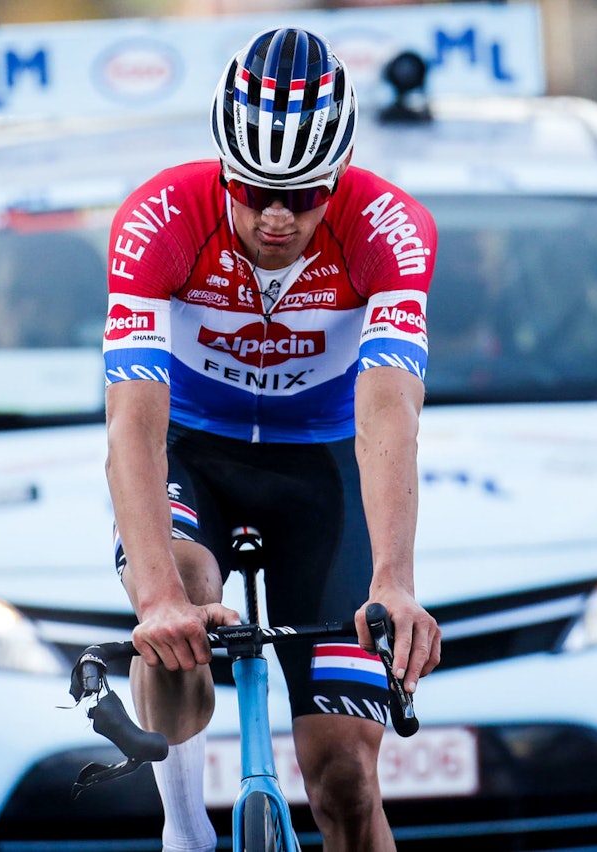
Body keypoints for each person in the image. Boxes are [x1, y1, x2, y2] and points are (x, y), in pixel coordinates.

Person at [102, 26, 442, 852]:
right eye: (254, 191)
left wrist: (393, 581)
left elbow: (388, 410)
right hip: (197, 451)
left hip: (318, 467)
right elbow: (135, 422)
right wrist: (155, 601)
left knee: (346, 786)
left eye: (307, 192)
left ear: (341, 176)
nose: (279, 216)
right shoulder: (159, 219)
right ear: (223, 166)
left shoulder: (390, 226)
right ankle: (184, 830)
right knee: (179, 588)